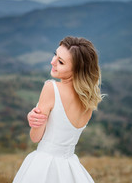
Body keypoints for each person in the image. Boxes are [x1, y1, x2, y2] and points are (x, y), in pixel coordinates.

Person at [13, 36, 104, 183]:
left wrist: (34, 119)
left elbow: (35, 137)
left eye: (60, 62)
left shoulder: (51, 88)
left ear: (76, 70)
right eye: (55, 54)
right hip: (71, 168)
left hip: (44, 166)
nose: (52, 62)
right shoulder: (89, 100)